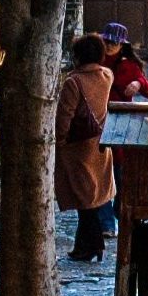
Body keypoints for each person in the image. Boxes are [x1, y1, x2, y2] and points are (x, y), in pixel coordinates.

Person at [55, 34, 117, 262]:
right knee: (91, 197)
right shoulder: (107, 75)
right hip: (100, 143)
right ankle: (83, 246)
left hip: (78, 147)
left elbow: (64, 116)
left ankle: (94, 245)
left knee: (84, 200)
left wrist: (59, 140)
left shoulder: (74, 82)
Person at [102, 22, 148, 102]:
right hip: (97, 112)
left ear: (121, 45)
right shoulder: (94, 61)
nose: (109, 46)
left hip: (121, 111)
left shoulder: (129, 65)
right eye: (107, 41)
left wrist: (139, 83)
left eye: (114, 43)